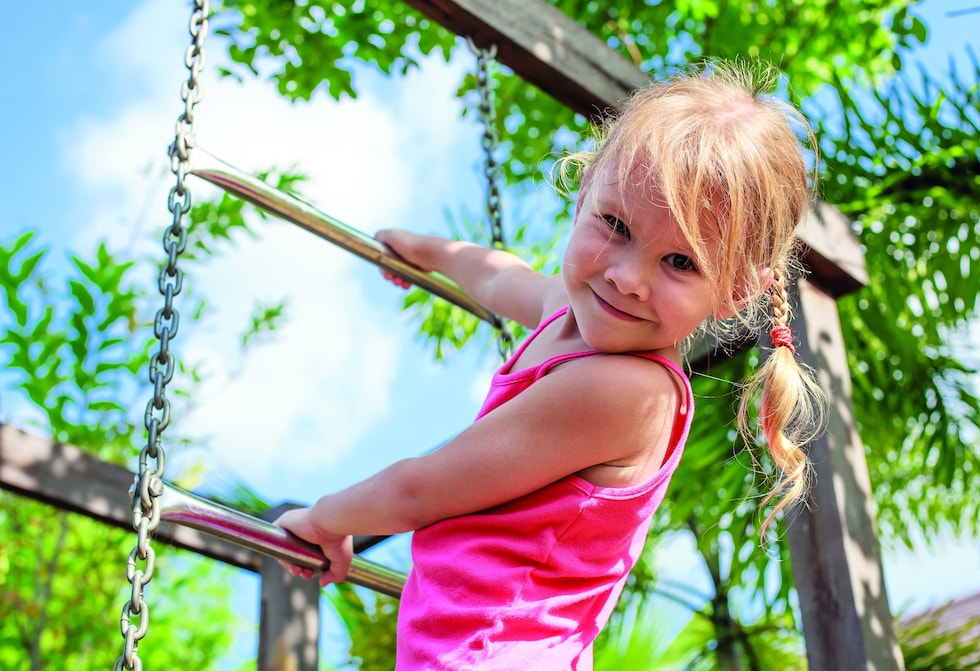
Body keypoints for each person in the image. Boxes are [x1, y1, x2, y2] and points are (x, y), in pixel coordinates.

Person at [274, 59, 826, 670]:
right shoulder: (570, 309)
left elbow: (419, 489)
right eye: (615, 225)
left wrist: (324, 519)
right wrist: (430, 252)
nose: (626, 277)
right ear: (584, 190)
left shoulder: (627, 391)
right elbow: (502, 277)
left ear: (733, 293)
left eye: (680, 263)